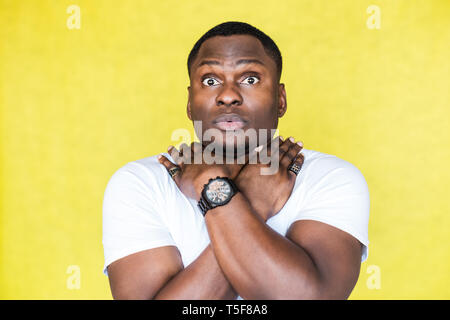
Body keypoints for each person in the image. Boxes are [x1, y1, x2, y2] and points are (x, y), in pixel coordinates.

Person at [102, 21, 370, 300]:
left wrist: (214, 193)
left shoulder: (330, 178)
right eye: (210, 81)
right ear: (190, 103)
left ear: (280, 100)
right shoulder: (140, 183)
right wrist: (249, 199)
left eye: (250, 79)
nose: (228, 95)